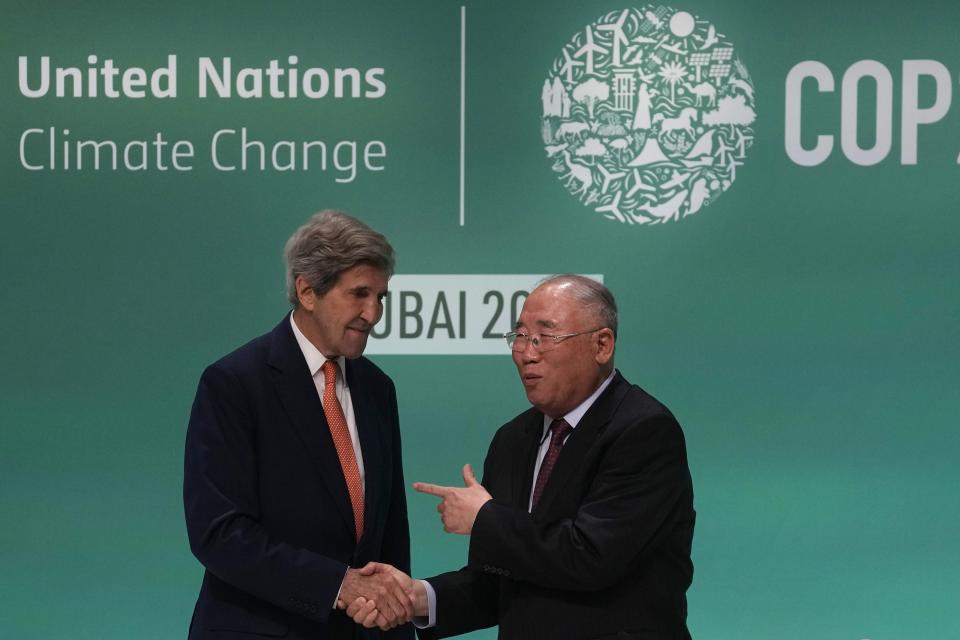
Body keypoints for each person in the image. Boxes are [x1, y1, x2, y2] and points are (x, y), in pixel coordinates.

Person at [346, 274, 695, 639]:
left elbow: (591, 557)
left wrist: (484, 519)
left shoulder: (644, 430)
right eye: (521, 337)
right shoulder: (512, 440)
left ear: (602, 345)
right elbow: (500, 581)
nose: (527, 353)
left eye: (545, 337)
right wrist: (417, 597)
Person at [183, 210, 415, 639]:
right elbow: (219, 533)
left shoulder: (377, 389)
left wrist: (394, 617)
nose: (374, 313)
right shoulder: (235, 384)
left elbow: (389, 537)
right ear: (308, 292)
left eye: (382, 297)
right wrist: (337, 584)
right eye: (360, 294)